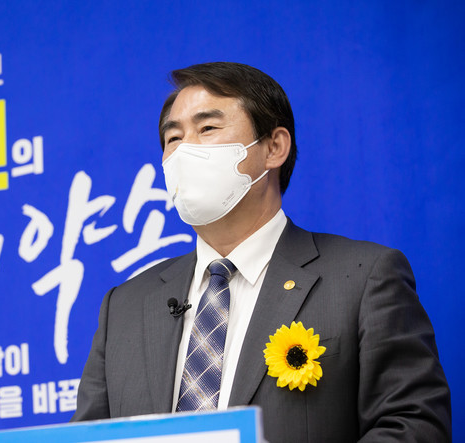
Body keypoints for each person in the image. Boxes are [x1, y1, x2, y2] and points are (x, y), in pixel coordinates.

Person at [71, 62, 451, 442]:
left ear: (274, 147)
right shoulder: (125, 307)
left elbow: (413, 425)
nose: (184, 150)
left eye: (207, 129)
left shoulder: (363, 279)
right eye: (173, 138)